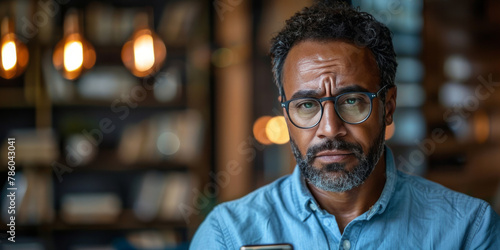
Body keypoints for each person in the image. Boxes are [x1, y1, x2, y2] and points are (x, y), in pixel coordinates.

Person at [190, 1, 500, 249]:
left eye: (352, 101)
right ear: (287, 116)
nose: (329, 129)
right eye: (307, 105)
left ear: (388, 106)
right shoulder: (228, 235)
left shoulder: (467, 230)